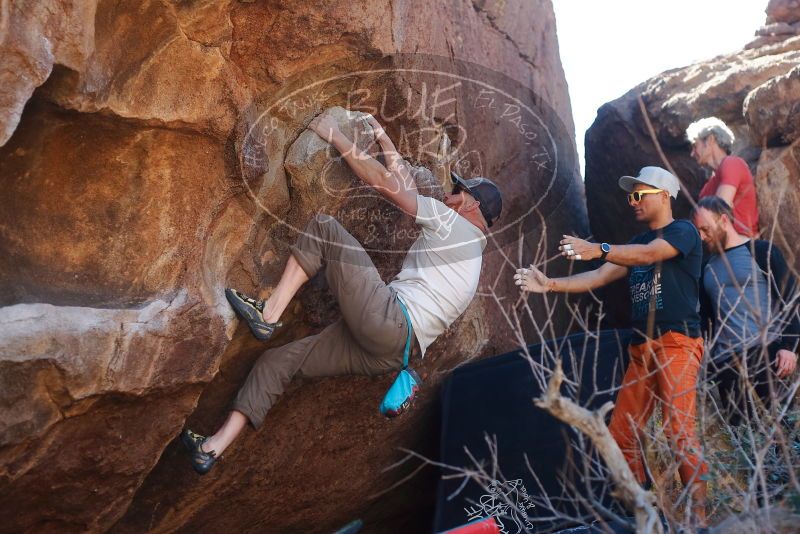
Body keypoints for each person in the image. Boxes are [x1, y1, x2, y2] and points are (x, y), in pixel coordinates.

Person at [180, 112, 502, 474]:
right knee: (277, 362)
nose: (451, 192)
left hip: (389, 321)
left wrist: (336, 136)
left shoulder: (453, 225)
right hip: (392, 354)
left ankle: (268, 314)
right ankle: (212, 447)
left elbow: (386, 184)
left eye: (458, 190)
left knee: (324, 229)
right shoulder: (472, 252)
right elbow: (407, 187)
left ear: (471, 205)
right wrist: (384, 140)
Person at [514, 166, 709, 523]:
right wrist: (550, 284)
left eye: (639, 194)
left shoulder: (683, 231)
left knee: (679, 431)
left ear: (664, 196)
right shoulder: (634, 242)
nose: (632, 201)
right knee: (621, 435)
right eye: (630, 196)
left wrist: (599, 248)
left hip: (676, 343)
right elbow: (600, 275)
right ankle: (645, 515)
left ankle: (701, 521)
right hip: (642, 349)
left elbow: (649, 256)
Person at [692, 196, 798, 426]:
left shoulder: (761, 252)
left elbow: (789, 299)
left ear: (723, 220)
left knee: (781, 436)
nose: (702, 236)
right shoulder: (707, 267)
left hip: (766, 357)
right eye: (698, 230)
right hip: (727, 366)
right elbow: (706, 321)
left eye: (705, 228)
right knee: (743, 444)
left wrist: (790, 347)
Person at [686, 117, 759, 236]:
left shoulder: (732, 163)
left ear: (710, 140)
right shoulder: (707, 186)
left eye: (695, 145)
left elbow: (718, 211)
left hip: (741, 244)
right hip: (717, 246)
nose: (692, 153)